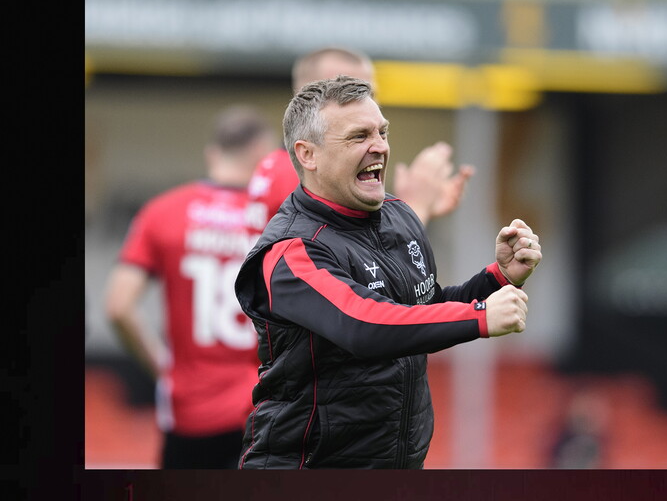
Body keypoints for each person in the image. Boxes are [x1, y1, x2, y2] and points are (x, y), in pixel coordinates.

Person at [234, 76, 542, 469]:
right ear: (308, 155)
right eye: (358, 136)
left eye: (382, 132)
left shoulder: (398, 215)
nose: (379, 146)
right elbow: (365, 325)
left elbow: (421, 312)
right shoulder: (292, 251)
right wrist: (481, 316)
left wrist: (496, 279)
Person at [104, 105, 277, 469]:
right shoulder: (278, 217)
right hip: (261, 406)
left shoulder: (164, 211)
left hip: (188, 411)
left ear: (213, 153)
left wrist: (163, 369)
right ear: (263, 157)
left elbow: (118, 306)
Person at [245, 46, 474, 233]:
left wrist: (411, 208)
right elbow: (366, 276)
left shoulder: (280, 165)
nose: (362, 100)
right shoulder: (299, 176)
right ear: (309, 96)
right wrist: (416, 208)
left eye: (368, 92)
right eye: (343, 88)